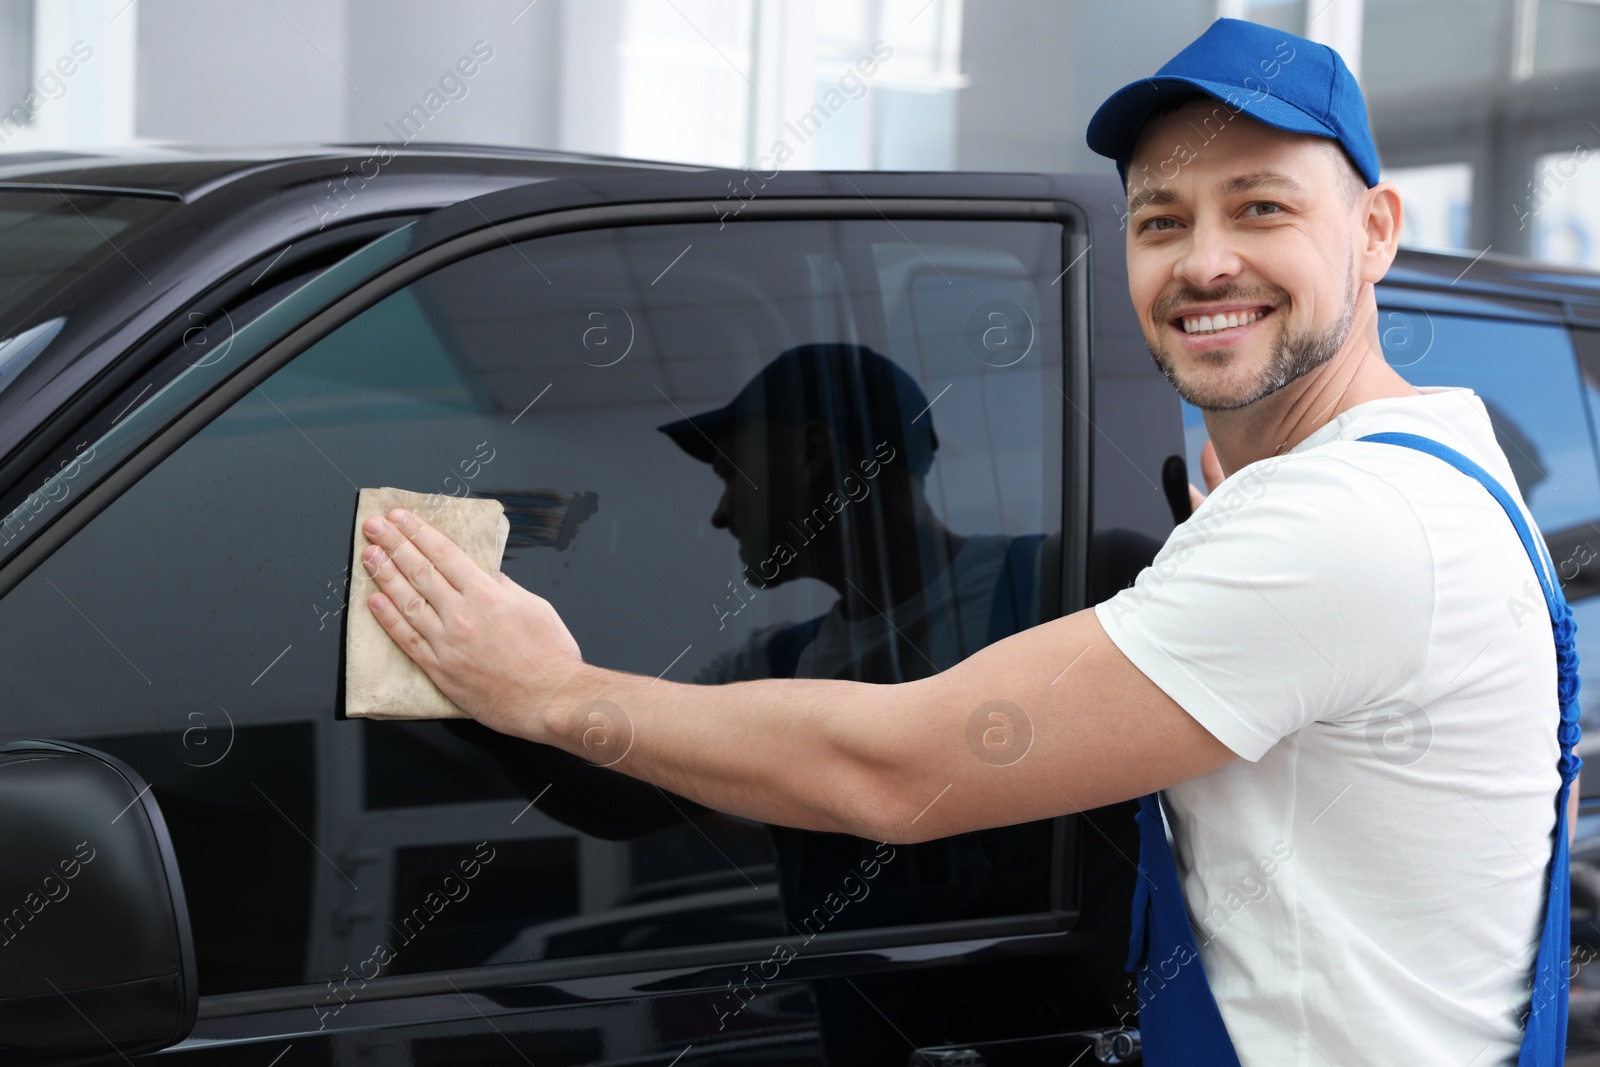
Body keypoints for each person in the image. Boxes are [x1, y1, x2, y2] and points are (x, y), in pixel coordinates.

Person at [355, 18, 1581, 1063]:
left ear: (1374, 230)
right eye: (1158, 221)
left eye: (1260, 208)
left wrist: (550, 688)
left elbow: (897, 769)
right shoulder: (1415, 481)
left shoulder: (1341, 525)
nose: (1203, 259)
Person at [444, 340, 1163, 1063]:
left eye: (733, 474)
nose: (722, 514)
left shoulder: (1082, 583)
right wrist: (480, 695)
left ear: (812, 451)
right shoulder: (770, 666)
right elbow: (624, 792)